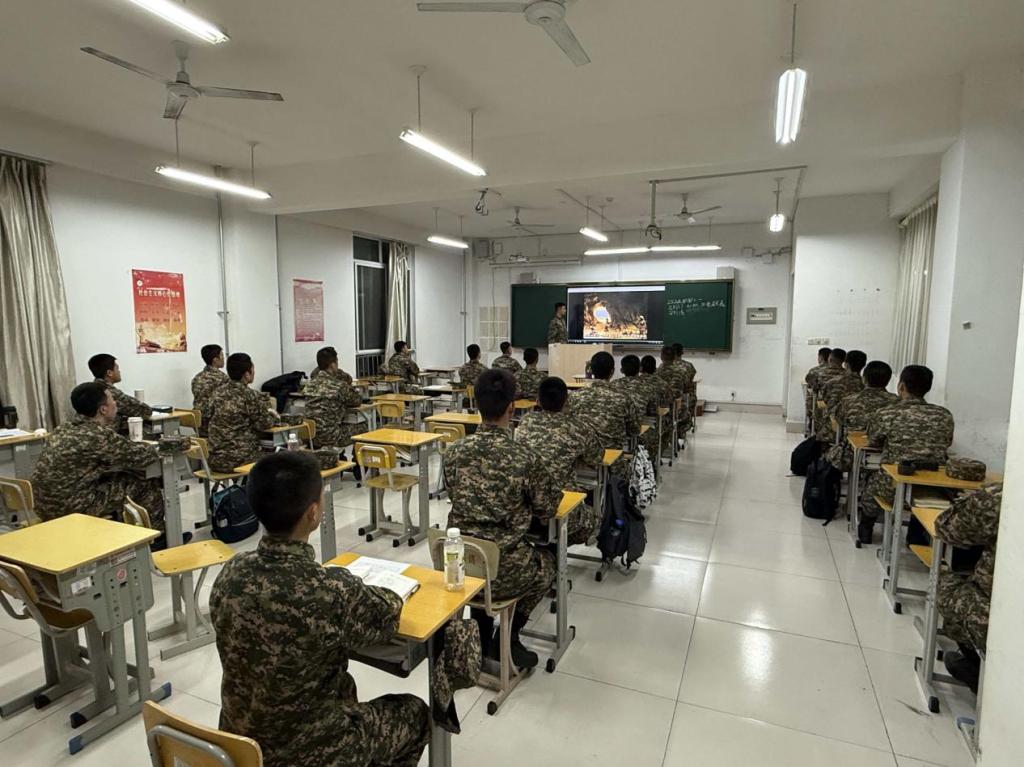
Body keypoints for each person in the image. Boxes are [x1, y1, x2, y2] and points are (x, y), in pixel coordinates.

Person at [210, 451, 429, 767]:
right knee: (415, 713)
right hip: (313, 750)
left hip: (241, 744)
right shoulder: (329, 589)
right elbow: (386, 616)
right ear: (313, 513)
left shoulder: (230, 573)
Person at [443, 370, 560, 669]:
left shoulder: (453, 452)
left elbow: (454, 493)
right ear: (512, 407)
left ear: (476, 404)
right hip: (506, 569)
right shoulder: (525, 457)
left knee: (481, 558)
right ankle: (509, 637)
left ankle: (481, 636)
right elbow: (547, 509)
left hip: (460, 563)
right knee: (548, 563)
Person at [32, 381, 165, 534]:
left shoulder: (63, 429)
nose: (116, 403)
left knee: (117, 478)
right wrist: (158, 445)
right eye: (113, 400)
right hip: (70, 509)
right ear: (103, 409)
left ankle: (123, 532)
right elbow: (141, 456)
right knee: (144, 481)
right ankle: (156, 537)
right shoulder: (97, 435)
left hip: (43, 506)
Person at [859, 364, 954, 544]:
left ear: (901, 386)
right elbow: (946, 443)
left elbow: (873, 440)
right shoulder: (944, 415)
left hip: (893, 486)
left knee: (871, 484)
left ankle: (866, 528)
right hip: (935, 487)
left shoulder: (887, 413)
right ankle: (917, 535)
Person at [516, 376, 602, 545]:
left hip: (527, 506)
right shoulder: (578, 427)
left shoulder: (526, 421)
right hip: (561, 505)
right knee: (593, 518)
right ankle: (557, 549)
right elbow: (596, 457)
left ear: (538, 400)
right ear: (566, 401)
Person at [935, 481, 1002, 693]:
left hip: (1000, 617)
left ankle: (976, 667)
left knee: (946, 584)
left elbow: (946, 528)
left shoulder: (1002, 497)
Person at [569, 351, 639, 477]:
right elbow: (634, 429)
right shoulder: (623, 397)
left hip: (581, 457)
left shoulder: (575, 396)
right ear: (612, 371)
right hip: (612, 460)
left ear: (591, 370)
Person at [208, 353, 280, 473]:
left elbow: (208, 415)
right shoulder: (249, 395)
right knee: (281, 457)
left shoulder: (217, 392)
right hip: (240, 459)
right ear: (247, 374)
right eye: (253, 370)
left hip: (214, 459)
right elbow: (264, 424)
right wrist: (274, 416)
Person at [826, 360, 898, 472]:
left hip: (853, 454)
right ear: (888, 381)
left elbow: (838, 421)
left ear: (864, 379)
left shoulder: (849, 401)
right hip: (888, 456)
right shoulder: (897, 403)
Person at [304, 346, 363, 450]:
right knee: (365, 426)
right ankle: (357, 458)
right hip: (332, 437)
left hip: (310, 436)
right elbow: (357, 401)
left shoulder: (309, 385)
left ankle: (341, 456)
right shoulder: (339, 386)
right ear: (332, 364)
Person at [89, 353, 151, 434]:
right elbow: (145, 411)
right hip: (103, 437)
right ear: (109, 373)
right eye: (117, 369)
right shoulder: (109, 392)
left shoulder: (89, 389)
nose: (119, 371)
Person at [611, 354, 659, 458]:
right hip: (636, 431)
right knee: (653, 434)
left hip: (614, 433)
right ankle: (649, 463)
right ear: (640, 369)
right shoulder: (648, 387)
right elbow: (653, 411)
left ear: (621, 370)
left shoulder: (613, 386)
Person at [817, 349, 867, 443]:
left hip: (834, 426)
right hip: (860, 430)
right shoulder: (864, 386)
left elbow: (825, 400)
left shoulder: (832, 382)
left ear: (846, 364)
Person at [191, 344, 228, 436]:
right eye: (222, 356)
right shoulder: (222, 378)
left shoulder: (197, 377)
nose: (224, 359)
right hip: (215, 425)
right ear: (215, 360)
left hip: (198, 423)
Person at [809, 348, 847, 436]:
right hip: (844, 413)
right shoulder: (848, 375)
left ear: (830, 359)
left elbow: (813, 388)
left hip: (824, 410)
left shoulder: (818, 373)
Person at [804, 347, 832, 429]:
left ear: (820, 357)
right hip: (835, 407)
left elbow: (810, 385)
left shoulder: (814, 371)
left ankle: (812, 426)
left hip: (819, 405)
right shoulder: (842, 372)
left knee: (811, 397)